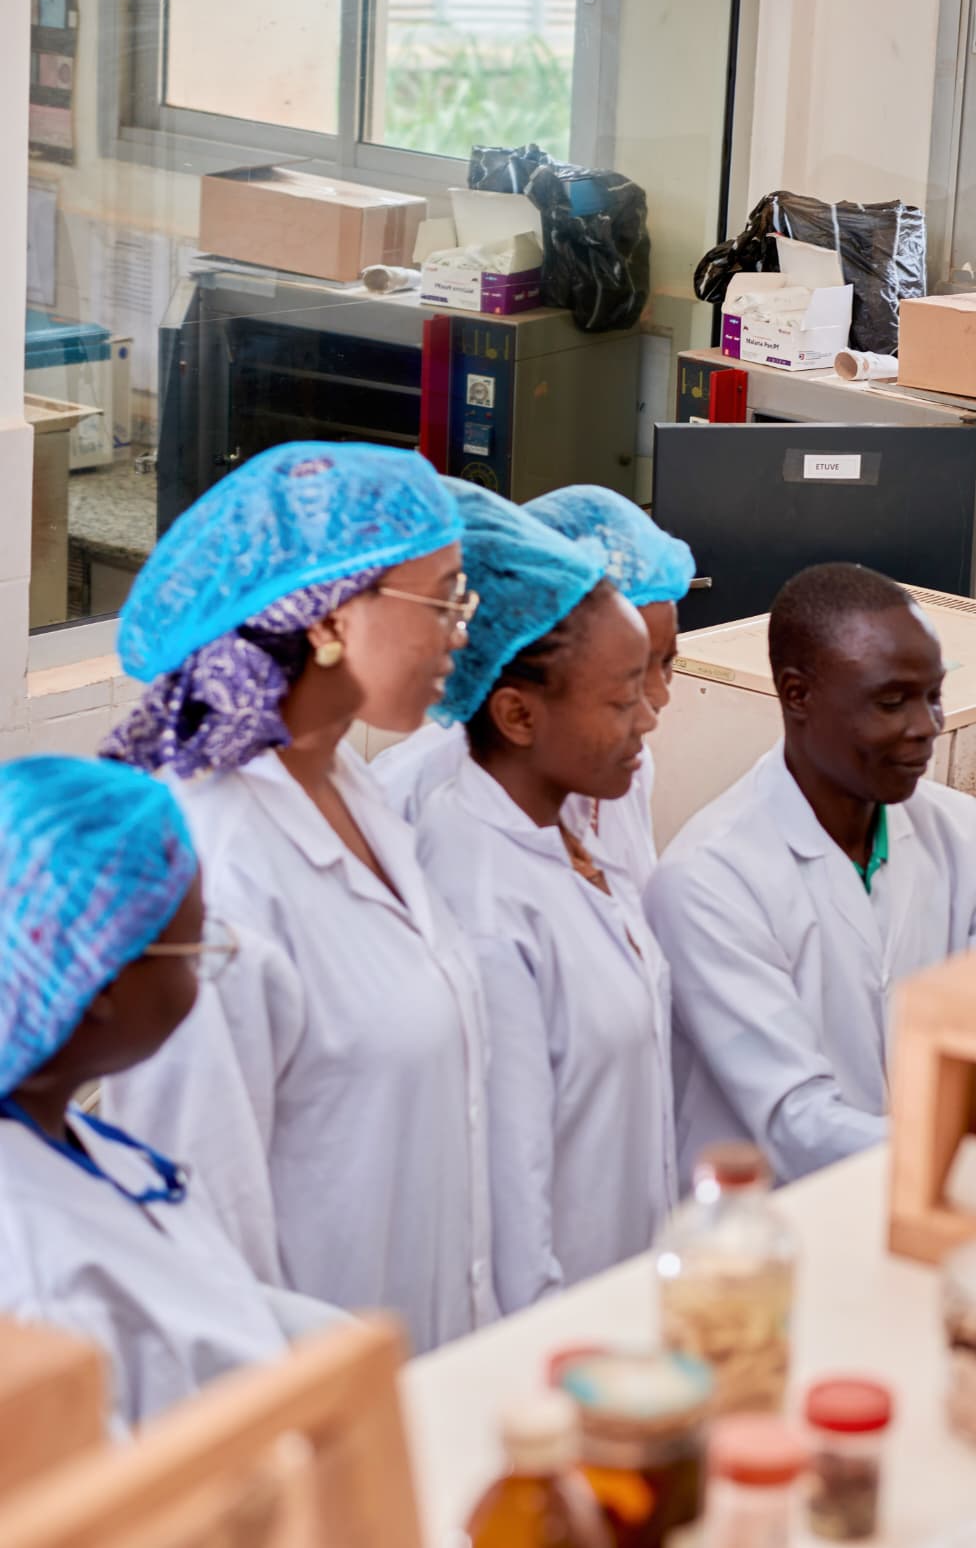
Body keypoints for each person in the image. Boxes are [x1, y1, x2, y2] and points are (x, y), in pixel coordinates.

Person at [99, 441, 499, 1351]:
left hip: (425, 1366)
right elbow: (202, 1228)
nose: (461, 631)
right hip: (311, 1415)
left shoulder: (356, 792)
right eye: (441, 601)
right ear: (329, 616)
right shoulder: (215, 868)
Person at [649, 564, 976, 1181]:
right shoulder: (709, 880)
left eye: (933, 696)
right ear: (797, 694)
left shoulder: (958, 831)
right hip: (775, 1228)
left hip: (923, 1190)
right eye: (891, 702)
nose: (925, 729)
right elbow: (797, 1120)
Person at [0, 757, 326, 1432]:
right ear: (101, 987)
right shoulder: (39, 1284)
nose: (211, 960)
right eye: (192, 945)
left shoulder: (77, 1142)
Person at [411, 486, 676, 1312]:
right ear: (518, 713)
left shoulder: (570, 826)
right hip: (563, 1329)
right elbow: (511, 1195)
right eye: (623, 696)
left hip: (629, 1283)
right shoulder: (484, 899)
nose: (651, 718)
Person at [374, 484, 693, 885]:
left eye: (666, 664)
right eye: (631, 674)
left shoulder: (625, 769)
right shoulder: (409, 792)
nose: (659, 697)